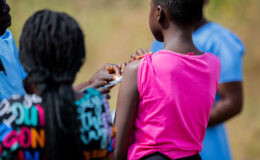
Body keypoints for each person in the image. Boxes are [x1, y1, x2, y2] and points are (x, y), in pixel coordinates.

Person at [0, 10, 115, 160]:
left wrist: (88, 85)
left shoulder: (13, 114)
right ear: (78, 63)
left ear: (25, 64)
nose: (7, 6)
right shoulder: (96, 106)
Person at [115, 0, 221, 160]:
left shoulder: (139, 70)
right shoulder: (213, 65)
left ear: (159, 12)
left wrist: (137, 68)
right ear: (198, 15)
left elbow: (117, 150)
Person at [150, 0, 245, 159]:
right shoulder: (160, 40)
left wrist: (181, 121)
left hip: (207, 150)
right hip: (166, 151)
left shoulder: (220, 41)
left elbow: (232, 101)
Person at [0, 0, 121, 102]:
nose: (7, 8)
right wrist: (79, 99)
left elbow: (39, 99)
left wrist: (89, 84)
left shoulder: (6, 40)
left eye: (4, 0)